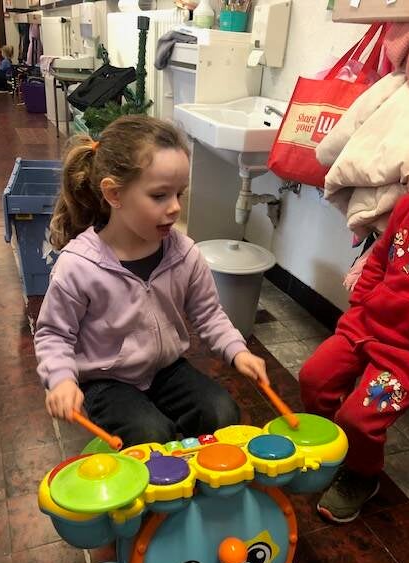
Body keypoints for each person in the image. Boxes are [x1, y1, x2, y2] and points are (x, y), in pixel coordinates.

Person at [34, 115, 269, 446]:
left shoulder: (184, 253)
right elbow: (54, 334)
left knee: (221, 413)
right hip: (106, 379)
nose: (174, 208)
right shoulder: (78, 265)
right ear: (114, 194)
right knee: (150, 434)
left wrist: (236, 350)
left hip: (165, 369)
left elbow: (208, 313)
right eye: (159, 196)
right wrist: (60, 379)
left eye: (179, 194)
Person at [299, 95, 409, 524]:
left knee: (360, 419)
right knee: (314, 378)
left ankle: (362, 474)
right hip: (366, 325)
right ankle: (335, 446)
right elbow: (379, 260)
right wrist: (359, 308)